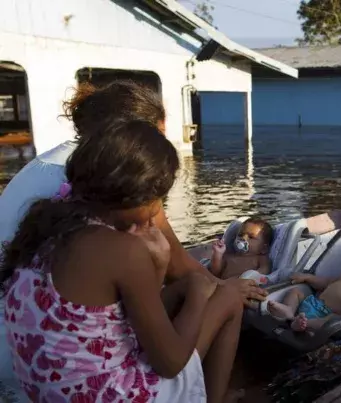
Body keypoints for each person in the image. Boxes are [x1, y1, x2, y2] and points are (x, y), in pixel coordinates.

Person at [2, 120, 243, 403]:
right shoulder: (122, 250)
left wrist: (162, 264)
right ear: (142, 197)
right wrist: (200, 296)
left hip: (52, 391)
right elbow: (171, 363)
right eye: (159, 199)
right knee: (228, 296)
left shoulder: (47, 223)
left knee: (187, 284)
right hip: (116, 396)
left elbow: (120, 317)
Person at [0, 80, 266, 305]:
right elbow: (179, 269)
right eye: (158, 137)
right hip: (33, 354)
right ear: (131, 138)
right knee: (211, 298)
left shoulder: (49, 162)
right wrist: (227, 289)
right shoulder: (119, 172)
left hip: (21, 324)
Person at [207, 218, 273, 280]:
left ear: (264, 248)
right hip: (224, 287)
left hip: (243, 288)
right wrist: (218, 254)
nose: (243, 238)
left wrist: (253, 276)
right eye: (240, 235)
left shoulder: (260, 259)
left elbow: (265, 270)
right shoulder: (229, 256)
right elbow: (215, 272)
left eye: (251, 237)